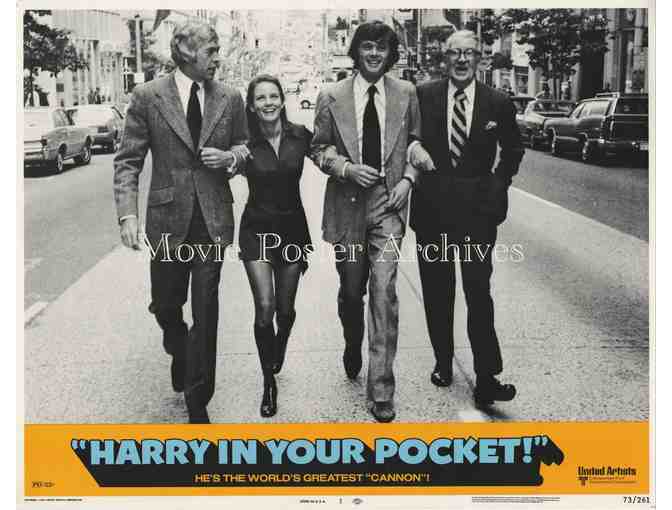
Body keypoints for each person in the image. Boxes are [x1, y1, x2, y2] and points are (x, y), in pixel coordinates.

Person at [113, 20, 249, 424]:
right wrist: (127, 214)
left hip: (212, 219)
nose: (217, 58)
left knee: (207, 309)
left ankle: (198, 399)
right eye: (211, 51)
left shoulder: (230, 97)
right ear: (187, 53)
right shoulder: (148, 96)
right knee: (167, 305)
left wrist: (231, 158)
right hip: (167, 221)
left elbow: (246, 146)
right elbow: (128, 161)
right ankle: (178, 347)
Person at [312, 21, 425, 423]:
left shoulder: (406, 92)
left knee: (383, 291)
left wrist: (408, 180)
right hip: (347, 204)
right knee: (351, 291)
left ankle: (381, 390)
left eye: (382, 47)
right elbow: (318, 148)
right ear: (356, 51)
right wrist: (345, 168)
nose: (375, 53)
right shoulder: (331, 95)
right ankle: (351, 339)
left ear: (390, 54)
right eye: (368, 46)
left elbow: (416, 143)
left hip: (388, 204)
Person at [408, 30, 524, 409]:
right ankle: (443, 362)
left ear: (479, 58)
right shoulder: (423, 95)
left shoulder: (498, 102)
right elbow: (406, 136)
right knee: (438, 291)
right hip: (433, 210)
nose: (461, 60)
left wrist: (498, 185)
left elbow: (513, 149)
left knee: (478, 291)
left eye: (468, 53)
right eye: (454, 53)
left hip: (477, 213)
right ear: (445, 58)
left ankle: (487, 376)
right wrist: (414, 148)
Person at [238, 74, 314, 418]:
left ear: (283, 100)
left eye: (273, 96)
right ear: (252, 106)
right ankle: (269, 381)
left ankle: (279, 342)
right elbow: (224, 167)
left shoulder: (301, 135)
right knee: (265, 306)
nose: (268, 103)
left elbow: (329, 155)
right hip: (256, 230)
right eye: (260, 98)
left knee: (285, 310)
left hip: (292, 230)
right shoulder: (244, 143)